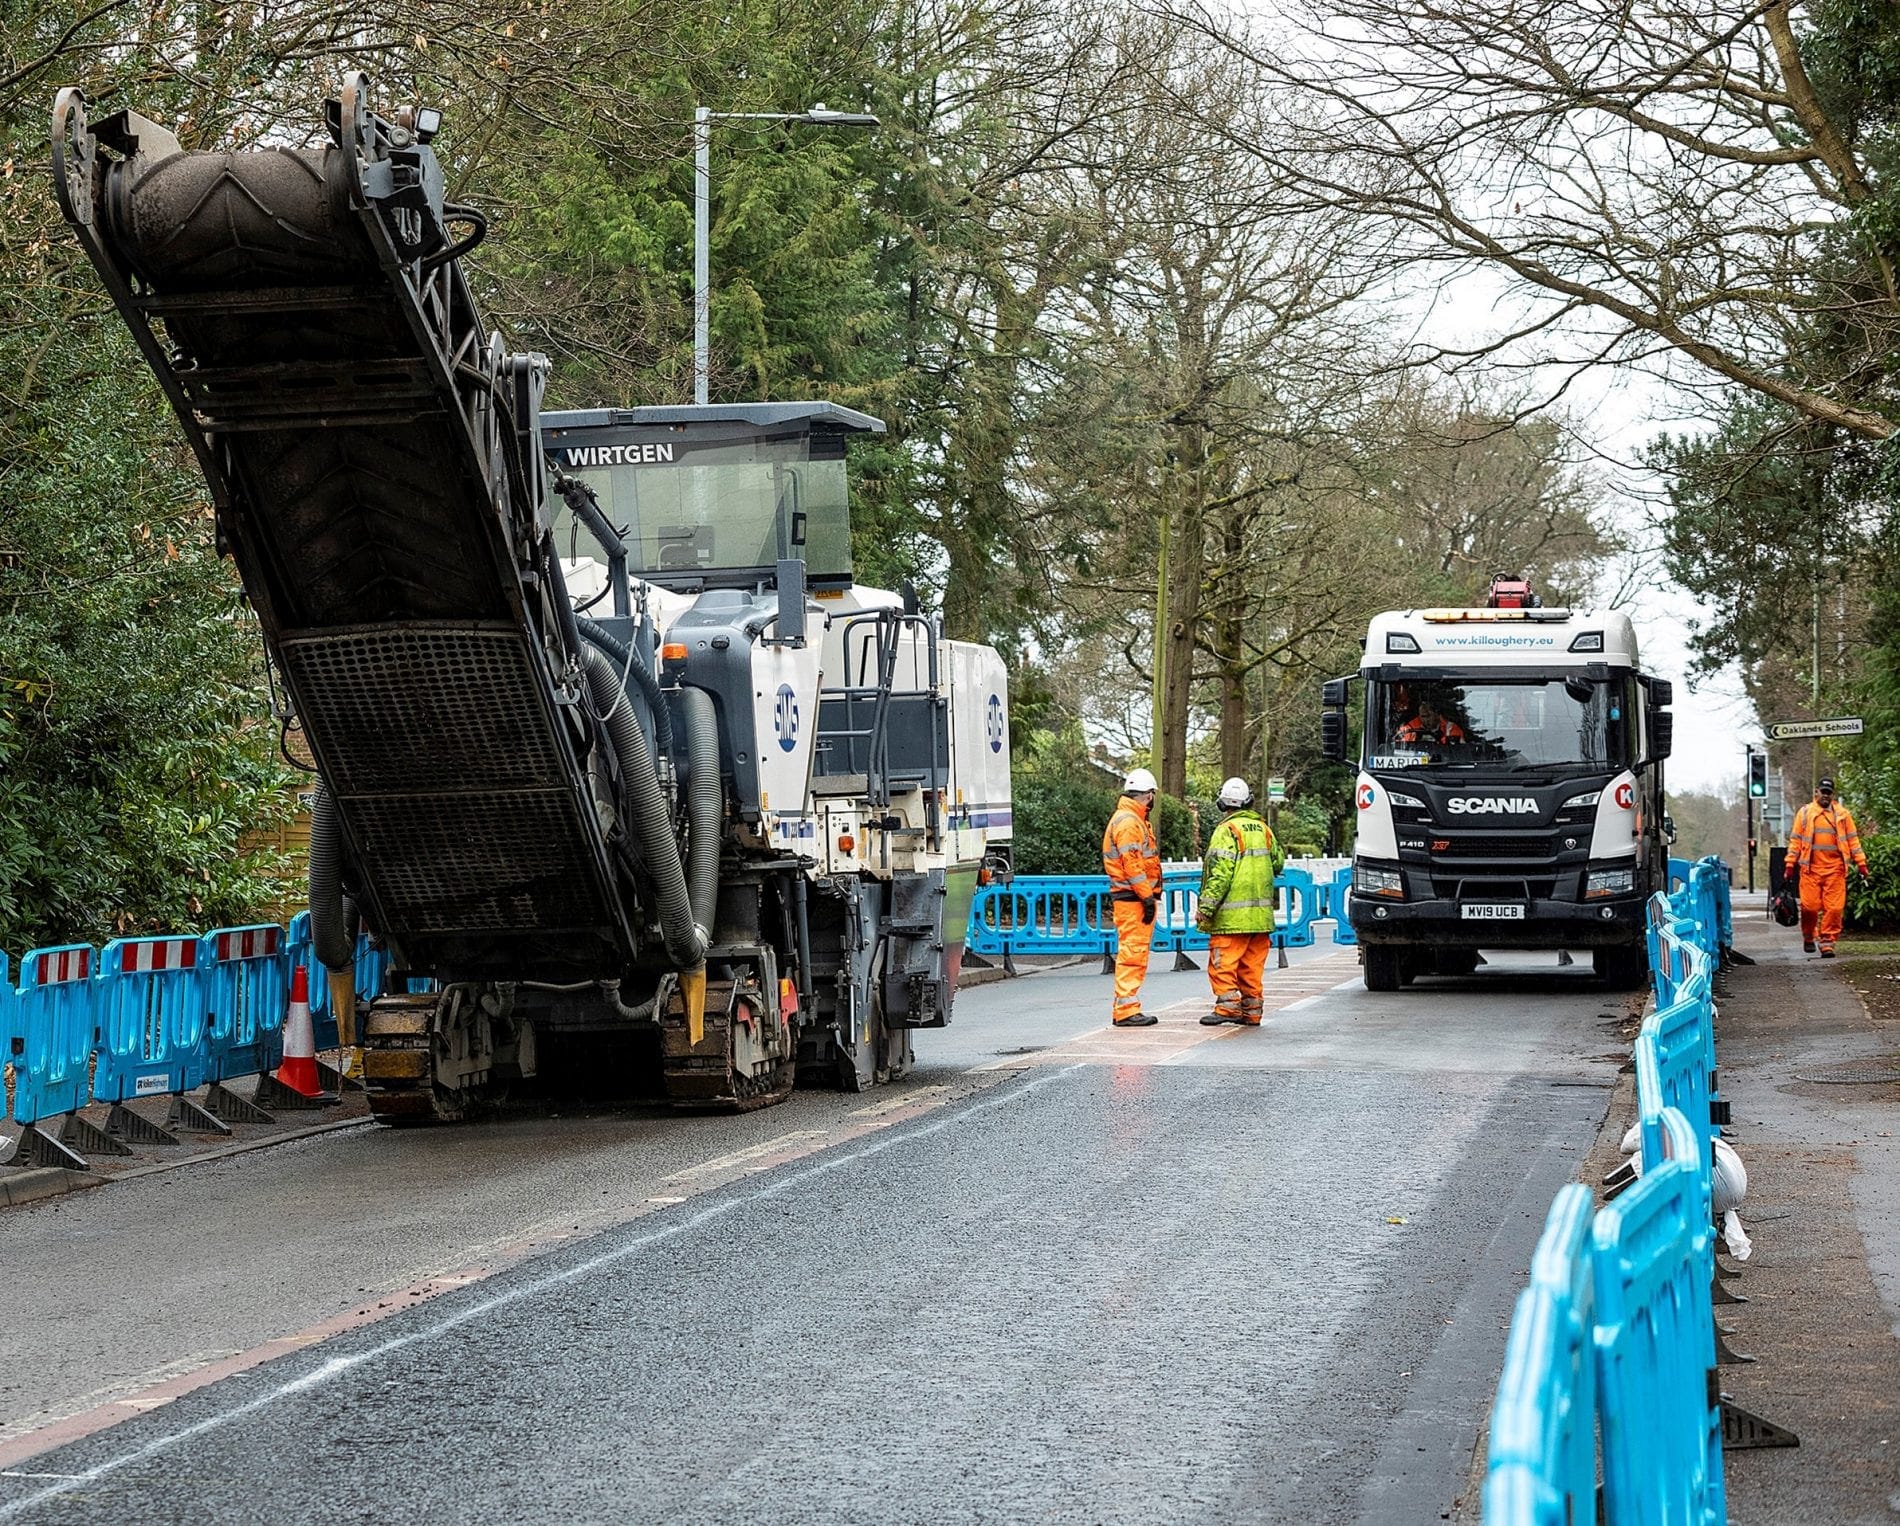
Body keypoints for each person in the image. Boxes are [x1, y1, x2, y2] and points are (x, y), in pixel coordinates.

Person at [1195, 778, 1286, 1025]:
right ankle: (1252, 1012)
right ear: (1248, 801)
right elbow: (1278, 863)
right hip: (1261, 919)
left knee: (1222, 964)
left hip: (1231, 919)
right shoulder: (1264, 830)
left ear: (1222, 804)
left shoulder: (1227, 831)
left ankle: (1227, 1009)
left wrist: (1206, 908)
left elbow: (1220, 874)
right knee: (1252, 968)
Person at [1103, 767, 1163, 1026]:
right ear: (1149, 795)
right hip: (1132, 899)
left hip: (1131, 897)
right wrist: (1147, 897)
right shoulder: (1129, 821)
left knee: (1133, 951)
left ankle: (1127, 1006)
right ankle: (1126, 1009)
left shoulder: (1129, 818)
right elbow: (1132, 864)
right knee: (1133, 952)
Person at [1786, 777, 1870, 958]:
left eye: (1828, 793)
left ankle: (1827, 942)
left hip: (1835, 870)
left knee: (1834, 909)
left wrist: (1861, 863)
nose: (1825, 795)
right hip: (1810, 870)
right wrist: (1790, 863)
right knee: (1810, 907)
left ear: (1833, 795)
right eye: (1822, 792)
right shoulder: (1805, 813)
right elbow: (1796, 840)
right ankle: (1809, 936)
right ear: (1816, 792)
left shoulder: (1842, 815)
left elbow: (1853, 841)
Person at [1397, 693, 1465, 745]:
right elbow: (1398, 749)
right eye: (1423, 716)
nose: (1426, 720)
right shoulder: (1410, 728)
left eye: (1428, 716)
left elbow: (1460, 751)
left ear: (1437, 714)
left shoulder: (1451, 728)